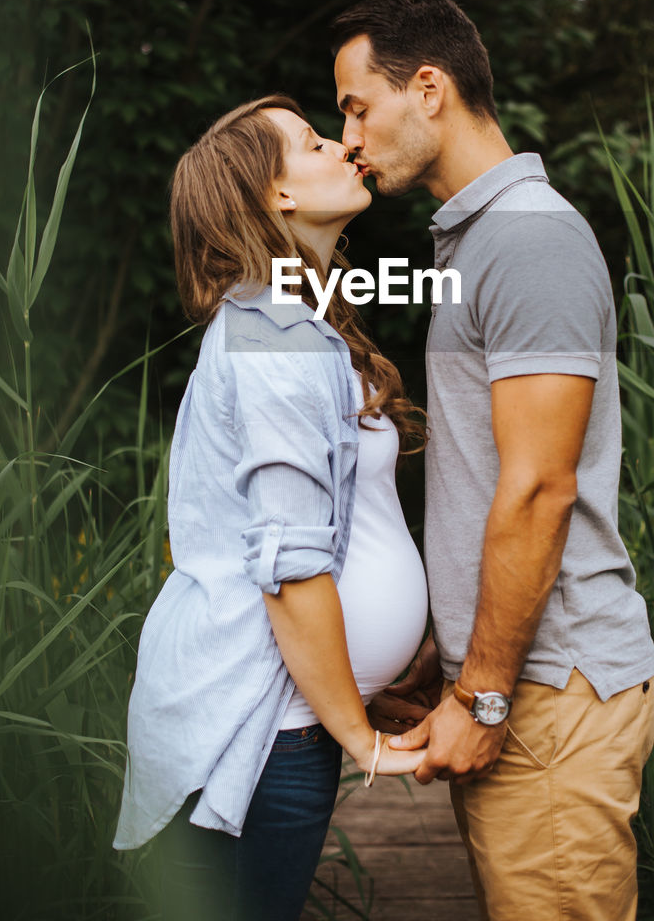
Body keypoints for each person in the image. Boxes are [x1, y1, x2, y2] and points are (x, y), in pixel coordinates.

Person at [330, 0, 654, 921]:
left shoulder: (528, 239)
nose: (347, 134)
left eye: (357, 104)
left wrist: (482, 696)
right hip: (519, 682)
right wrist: (451, 657)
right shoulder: (477, 242)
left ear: (427, 88)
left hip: (547, 692)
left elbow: (541, 490)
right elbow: (489, 478)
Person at [113, 94, 429, 921]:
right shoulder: (273, 337)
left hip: (290, 719)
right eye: (315, 141)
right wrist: (360, 741)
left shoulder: (289, 322)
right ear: (276, 196)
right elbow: (290, 569)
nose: (344, 145)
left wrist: (360, 690)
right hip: (260, 732)